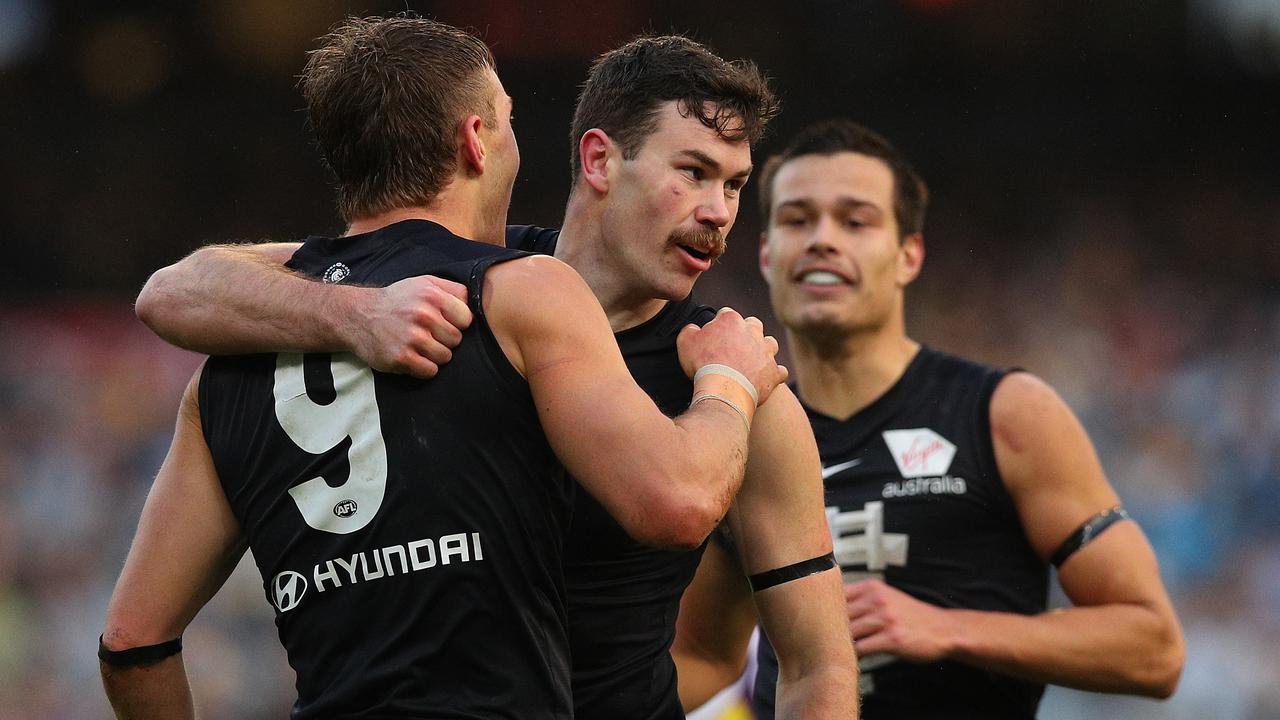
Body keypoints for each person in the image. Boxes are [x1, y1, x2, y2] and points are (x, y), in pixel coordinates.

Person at [133, 35, 859, 719]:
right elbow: (180, 287)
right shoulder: (447, 289)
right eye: (693, 172)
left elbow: (812, 664)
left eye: (735, 186)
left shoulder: (739, 385)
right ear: (601, 161)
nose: (718, 213)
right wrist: (357, 315)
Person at [672, 118, 1187, 719]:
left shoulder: (1004, 413)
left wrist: (946, 628)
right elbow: (706, 656)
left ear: (908, 255)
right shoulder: (741, 427)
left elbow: (1156, 649)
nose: (822, 239)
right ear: (765, 253)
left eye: (856, 220)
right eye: (796, 219)